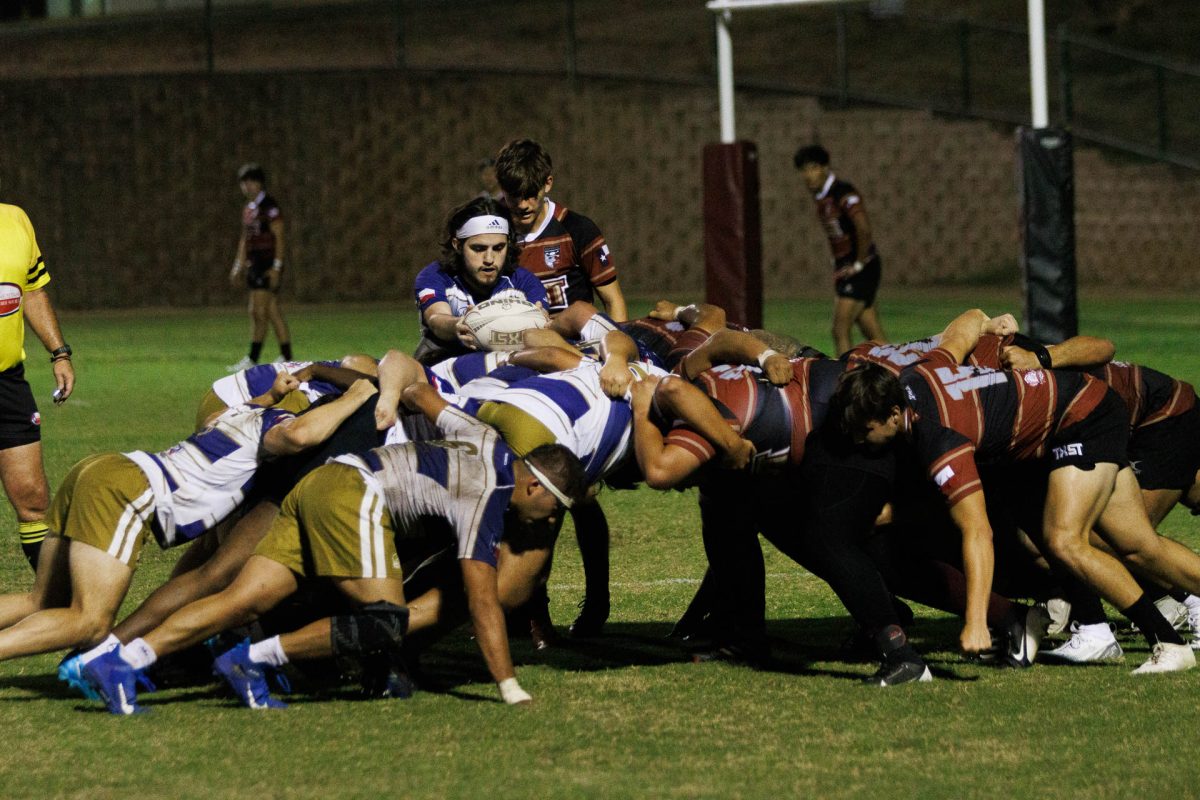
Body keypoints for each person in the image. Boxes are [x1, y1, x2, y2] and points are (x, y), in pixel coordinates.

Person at [81, 387, 586, 713]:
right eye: (553, 509)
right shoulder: (492, 498)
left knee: (244, 599)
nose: (548, 523)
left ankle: (124, 660)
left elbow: (418, 391)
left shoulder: (485, 436)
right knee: (386, 619)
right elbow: (482, 601)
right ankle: (253, 657)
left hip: (321, 481)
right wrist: (508, 685)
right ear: (535, 487)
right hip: (354, 494)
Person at [830, 310, 1200, 673]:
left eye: (866, 431)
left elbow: (977, 531)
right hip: (1084, 409)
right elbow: (966, 322)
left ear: (894, 415)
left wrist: (976, 620)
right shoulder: (923, 370)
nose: (862, 442)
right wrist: (988, 321)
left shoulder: (940, 436)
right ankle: (1119, 632)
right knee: (1137, 545)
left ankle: (1165, 640)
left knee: (1065, 541)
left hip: (1081, 419)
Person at [0, 371, 377, 666]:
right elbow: (300, 434)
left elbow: (226, 414)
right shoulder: (276, 422)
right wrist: (356, 397)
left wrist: (271, 395)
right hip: (125, 489)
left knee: (44, 601)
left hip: (100, 469)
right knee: (91, 622)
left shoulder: (244, 410)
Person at [0, 201, 74, 570]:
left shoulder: (15, 220)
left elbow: (31, 291)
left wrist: (59, 352)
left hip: (7, 384)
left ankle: (53, 608)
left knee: (33, 498)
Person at [495, 139, 627, 321]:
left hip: (575, 344)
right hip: (516, 344)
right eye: (514, 196)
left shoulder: (577, 230)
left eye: (531, 194)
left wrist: (620, 344)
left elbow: (613, 301)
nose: (523, 205)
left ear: (547, 183)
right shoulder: (491, 234)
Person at [413, 197, 548, 365]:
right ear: (457, 245)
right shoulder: (435, 275)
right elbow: (436, 319)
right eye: (479, 248)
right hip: (443, 358)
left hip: (506, 365)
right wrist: (458, 325)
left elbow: (542, 323)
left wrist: (541, 321)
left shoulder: (524, 282)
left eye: (498, 248)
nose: (489, 259)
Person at [793, 144, 886, 356]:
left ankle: (846, 380)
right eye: (804, 170)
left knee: (839, 329)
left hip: (862, 267)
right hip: (849, 268)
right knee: (874, 335)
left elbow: (863, 228)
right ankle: (899, 372)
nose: (808, 175)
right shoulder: (822, 197)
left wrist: (859, 263)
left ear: (825, 167)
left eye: (813, 168)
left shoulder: (843, 193)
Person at [228, 163, 293, 372]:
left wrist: (276, 266)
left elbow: (279, 237)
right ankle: (287, 355)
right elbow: (244, 238)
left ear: (259, 183)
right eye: (244, 183)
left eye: (251, 182)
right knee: (270, 310)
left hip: (266, 264)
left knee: (258, 311)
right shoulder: (249, 209)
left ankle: (253, 358)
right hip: (254, 265)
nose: (247, 187)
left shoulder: (269, 207)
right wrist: (238, 264)